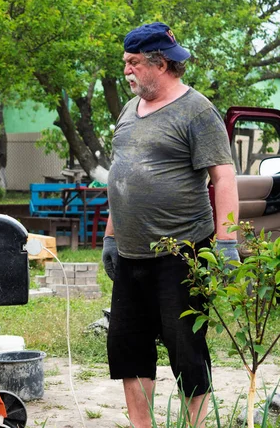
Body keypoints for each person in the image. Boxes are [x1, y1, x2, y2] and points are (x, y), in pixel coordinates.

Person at [101, 22, 239, 428]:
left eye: (132, 62)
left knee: (186, 352)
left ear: (159, 63)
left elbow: (224, 178)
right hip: (130, 254)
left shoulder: (197, 110)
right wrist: (111, 236)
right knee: (128, 348)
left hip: (181, 253)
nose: (125, 70)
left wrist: (227, 242)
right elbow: (121, 176)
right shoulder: (129, 109)